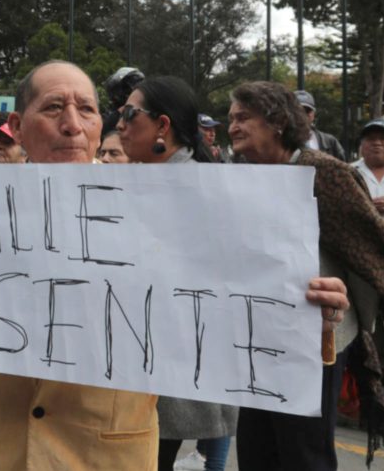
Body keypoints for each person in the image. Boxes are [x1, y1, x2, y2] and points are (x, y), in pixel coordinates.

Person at [0, 62, 351, 470]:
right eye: (53, 108)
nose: (72, 125)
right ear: (18, 124)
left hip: (106, 449)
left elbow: (218, 304)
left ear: (100, 125)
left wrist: (303, 316)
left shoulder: (158, 207)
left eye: (86, 110)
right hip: (1, 442)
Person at [229, 81, 384, 471]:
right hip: (256, 334)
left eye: (243, 117)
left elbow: (370, 247)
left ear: (278, 122)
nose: (232, 126)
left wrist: (342, 297)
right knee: (256, 445)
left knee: (303, 452)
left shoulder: (324, 172)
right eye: (230, 118)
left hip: (318, 339)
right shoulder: (238, 176)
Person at [115, 77, 233, 471]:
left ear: (162, 126)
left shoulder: (205, 188)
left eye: (129, 114)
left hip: (170, 365)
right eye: (119, 114)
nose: (119, 124)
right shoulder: (138, 178)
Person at [293, 90, 345, 160]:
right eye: (298, 110)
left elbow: (344, 168)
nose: (303, 114)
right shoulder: (280, 143)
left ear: (313, 114)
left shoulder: (330, 142)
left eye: (307, 110)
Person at [354, 118, 384, 214]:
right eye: (371, 139)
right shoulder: (347, 172)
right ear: (361, 145)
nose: (377, 143)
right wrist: (365, 206)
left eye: (383, 138)